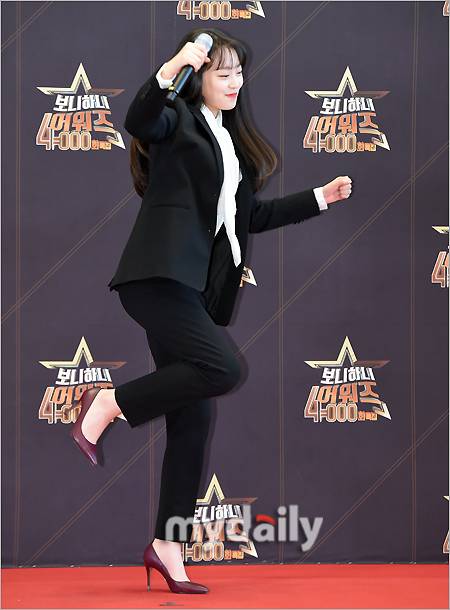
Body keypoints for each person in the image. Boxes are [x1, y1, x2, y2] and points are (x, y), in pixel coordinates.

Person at [69, 27, 352, 594]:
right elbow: (139, 119)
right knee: (223, 368)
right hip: (157, 277)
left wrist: (320, 198)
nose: (235, 81)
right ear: (197, 78)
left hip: (193, 291)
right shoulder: (176, 121)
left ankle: (166, 547)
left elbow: (251, 218)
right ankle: (106, 404)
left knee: (193, 420)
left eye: (239, 72)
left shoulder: (231, 145)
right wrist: (171, 67)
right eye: (222, 72)